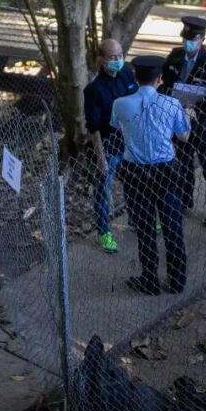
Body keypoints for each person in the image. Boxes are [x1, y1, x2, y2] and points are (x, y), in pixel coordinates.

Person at [111, 56, 191, 296]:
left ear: (135, 77)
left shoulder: (120, 104)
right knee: (172, 225)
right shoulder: (171, 104)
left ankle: (150, 280)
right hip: (165, 171)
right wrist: (188, 116)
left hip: (135, 173)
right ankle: (177, 281)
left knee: (145, 227)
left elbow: (116, 126)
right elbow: (184, 137)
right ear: (161, 79)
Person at [161, 17, 206, 228]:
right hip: (179, 121)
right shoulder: (174, 57)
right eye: (185, 38)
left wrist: (198, 111)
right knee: (183, 162)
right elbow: (165, 85)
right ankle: (184, 199)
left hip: (202, 124)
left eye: (192, 39)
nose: (187, 43)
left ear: (201, 40)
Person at [83, 39, 138, 253]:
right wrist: (101, 159)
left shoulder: (127, 73)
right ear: (101, 60)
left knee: (133, 186)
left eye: (120, 55)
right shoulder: (93, 90)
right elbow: (93, 128)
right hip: (108, 147)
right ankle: (104, 232)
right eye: (113, 57)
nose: (118, 60)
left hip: (130, 144)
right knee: (104, 191)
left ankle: (137, 221)